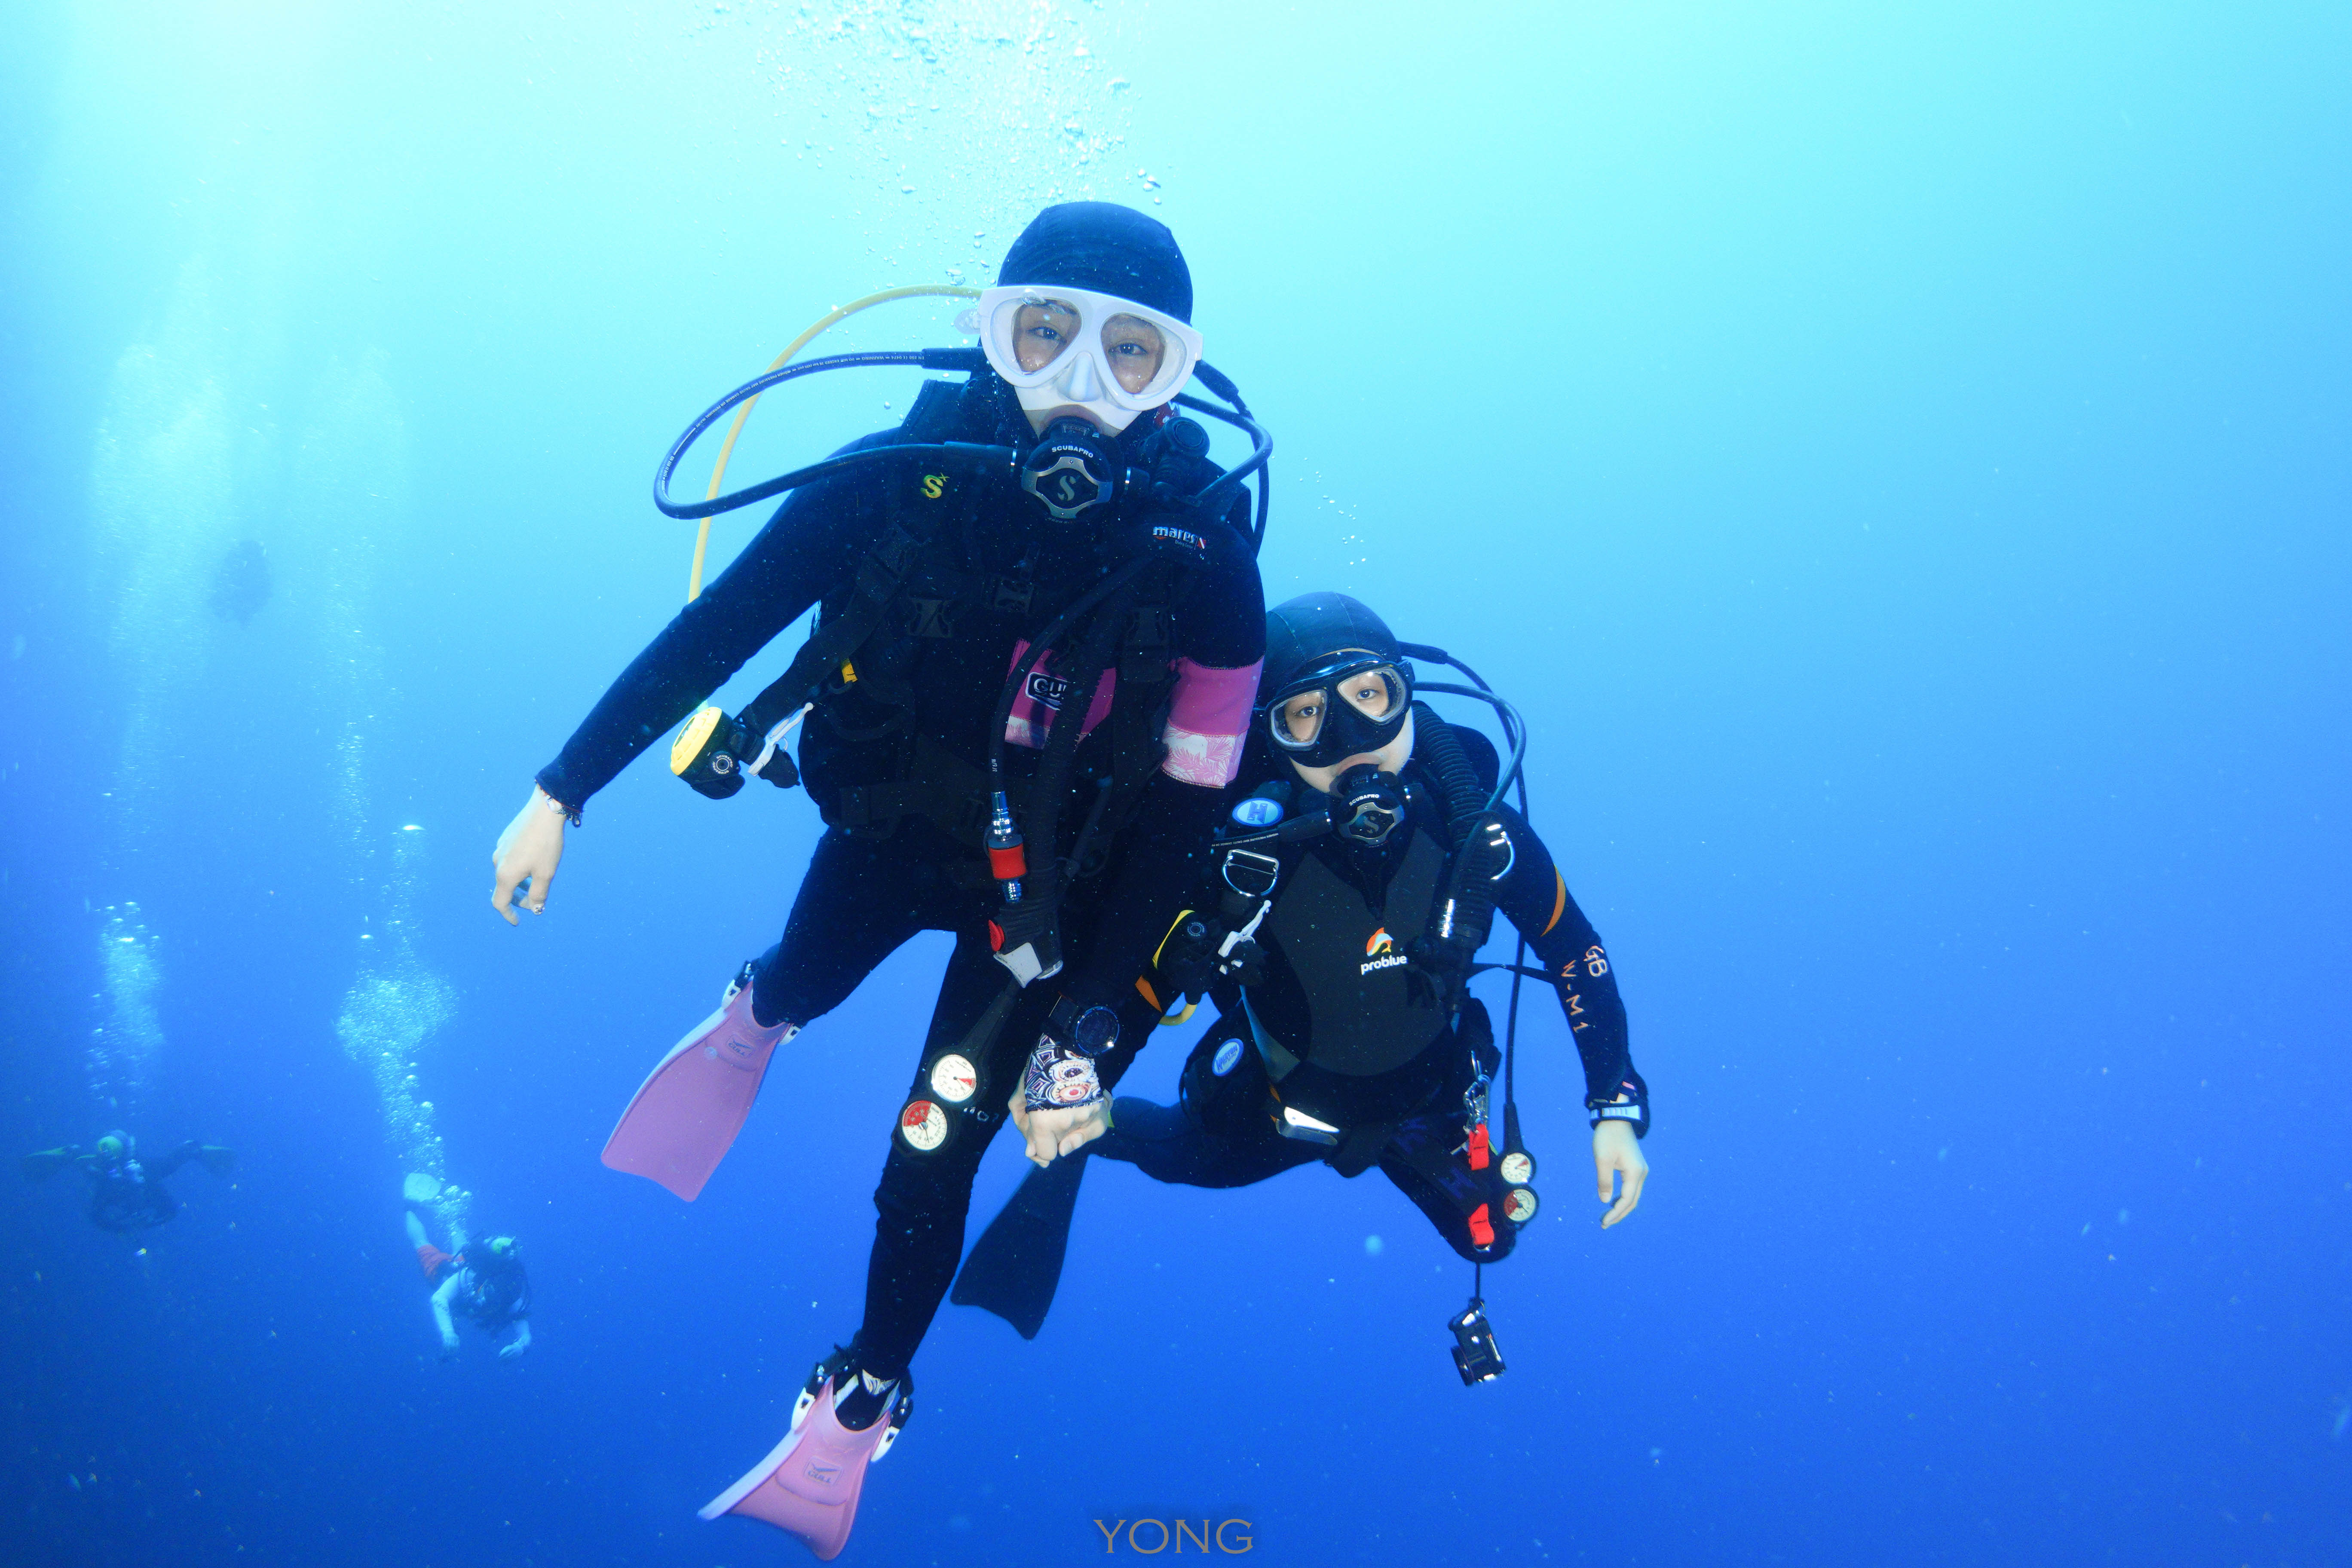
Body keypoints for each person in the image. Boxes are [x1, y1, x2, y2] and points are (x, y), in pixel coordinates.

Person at [487, 202, 1265, 1557]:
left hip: (1044, 906)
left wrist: (1091, 1026)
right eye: (1045, 335)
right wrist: (563, 788)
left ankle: (858, 1404)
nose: (1082, 384)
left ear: (1175, 378)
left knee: (938, 1139)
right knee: (803, 980)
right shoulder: (891, 480)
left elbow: (1188, 821)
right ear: (992, 336)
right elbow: (718, 632)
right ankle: (755, 1019)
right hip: (887, 837)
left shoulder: (1207, 565)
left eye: (1131, 353)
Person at [955, 592, 1651, 1343]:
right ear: (1271, 732)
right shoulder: (1243, 856)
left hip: (1433, 1096)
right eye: (1307, 716)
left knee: (1490, 1241)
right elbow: (1155, 978)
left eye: (1371, 696)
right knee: (1180, 1160)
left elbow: (1573, 951)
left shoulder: (1478, 836)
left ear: (1407, 696)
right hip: (1277, 1102)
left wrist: (1614, 1105)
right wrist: (1078, 1077)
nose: (1349, 741)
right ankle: (1095, 1137)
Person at [22, 1132, 235, 1234]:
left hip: (111, 1170)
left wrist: (122, 1227)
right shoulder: (146, 1181)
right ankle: (193, 1149)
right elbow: (170, 1210)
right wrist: (142, 1224)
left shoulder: (108, 1186)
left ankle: (69, 1152)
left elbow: (97, 1214)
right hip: (128, 1170)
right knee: (168, 1164)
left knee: (87, 1164)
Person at [405, 1210, 533, 1362]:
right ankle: (409, 1208)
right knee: (422, 1244)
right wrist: (448, 1332)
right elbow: (439, 1298)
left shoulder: (510, 1294)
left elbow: (525, 1333)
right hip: (444, 1273)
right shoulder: (469, 1276)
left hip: (462, 1265)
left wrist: (520, 1347)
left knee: (459, 1251)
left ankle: (451, 1217)